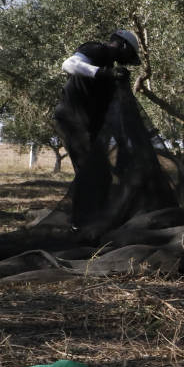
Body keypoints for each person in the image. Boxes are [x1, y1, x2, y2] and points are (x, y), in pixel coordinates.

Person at [52, 30, 142, 227]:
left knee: (100, 177)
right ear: (123, 45)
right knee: (92, 174)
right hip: (73, 121)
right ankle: (80, 225)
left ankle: (91, 222)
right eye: (130, 56)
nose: (127, 63)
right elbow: (68, 64)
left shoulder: (110, 68)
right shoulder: (96, 49)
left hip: (88, 126)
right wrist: (104, 73)